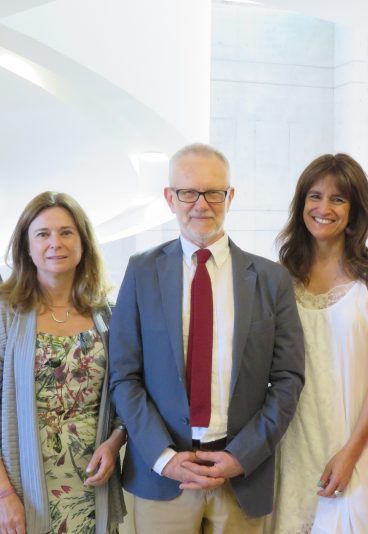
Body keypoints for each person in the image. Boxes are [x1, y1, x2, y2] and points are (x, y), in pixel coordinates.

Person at [109, 143, 305, 533]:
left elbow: (287, 380)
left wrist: (241, 456)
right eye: (188, 192)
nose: (201, 204)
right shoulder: (141, 272)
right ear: (170, 198)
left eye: (214, 192)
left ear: (230, 197)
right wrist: (163, 456)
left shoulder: (271, 279)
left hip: (240, 477)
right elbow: (124, 376)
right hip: (163, 475)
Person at [0, 191, 126, 534]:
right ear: (26, 247)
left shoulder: (107, 315)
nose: (56, 243)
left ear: (83, 243)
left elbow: (123, 400)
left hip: (90, 487)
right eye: (43, 234)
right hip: (19, 493)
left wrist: (114, 443)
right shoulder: (1, 313)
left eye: (67, 232)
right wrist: (2, 494)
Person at [272, 153, 368, 533]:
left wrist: (349, 453)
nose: (324, 208)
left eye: (338, 199)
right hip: (295, 444)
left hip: (355, 442)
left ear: (355, 210)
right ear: (301, 205)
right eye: (314, 196)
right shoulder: (283, 275)